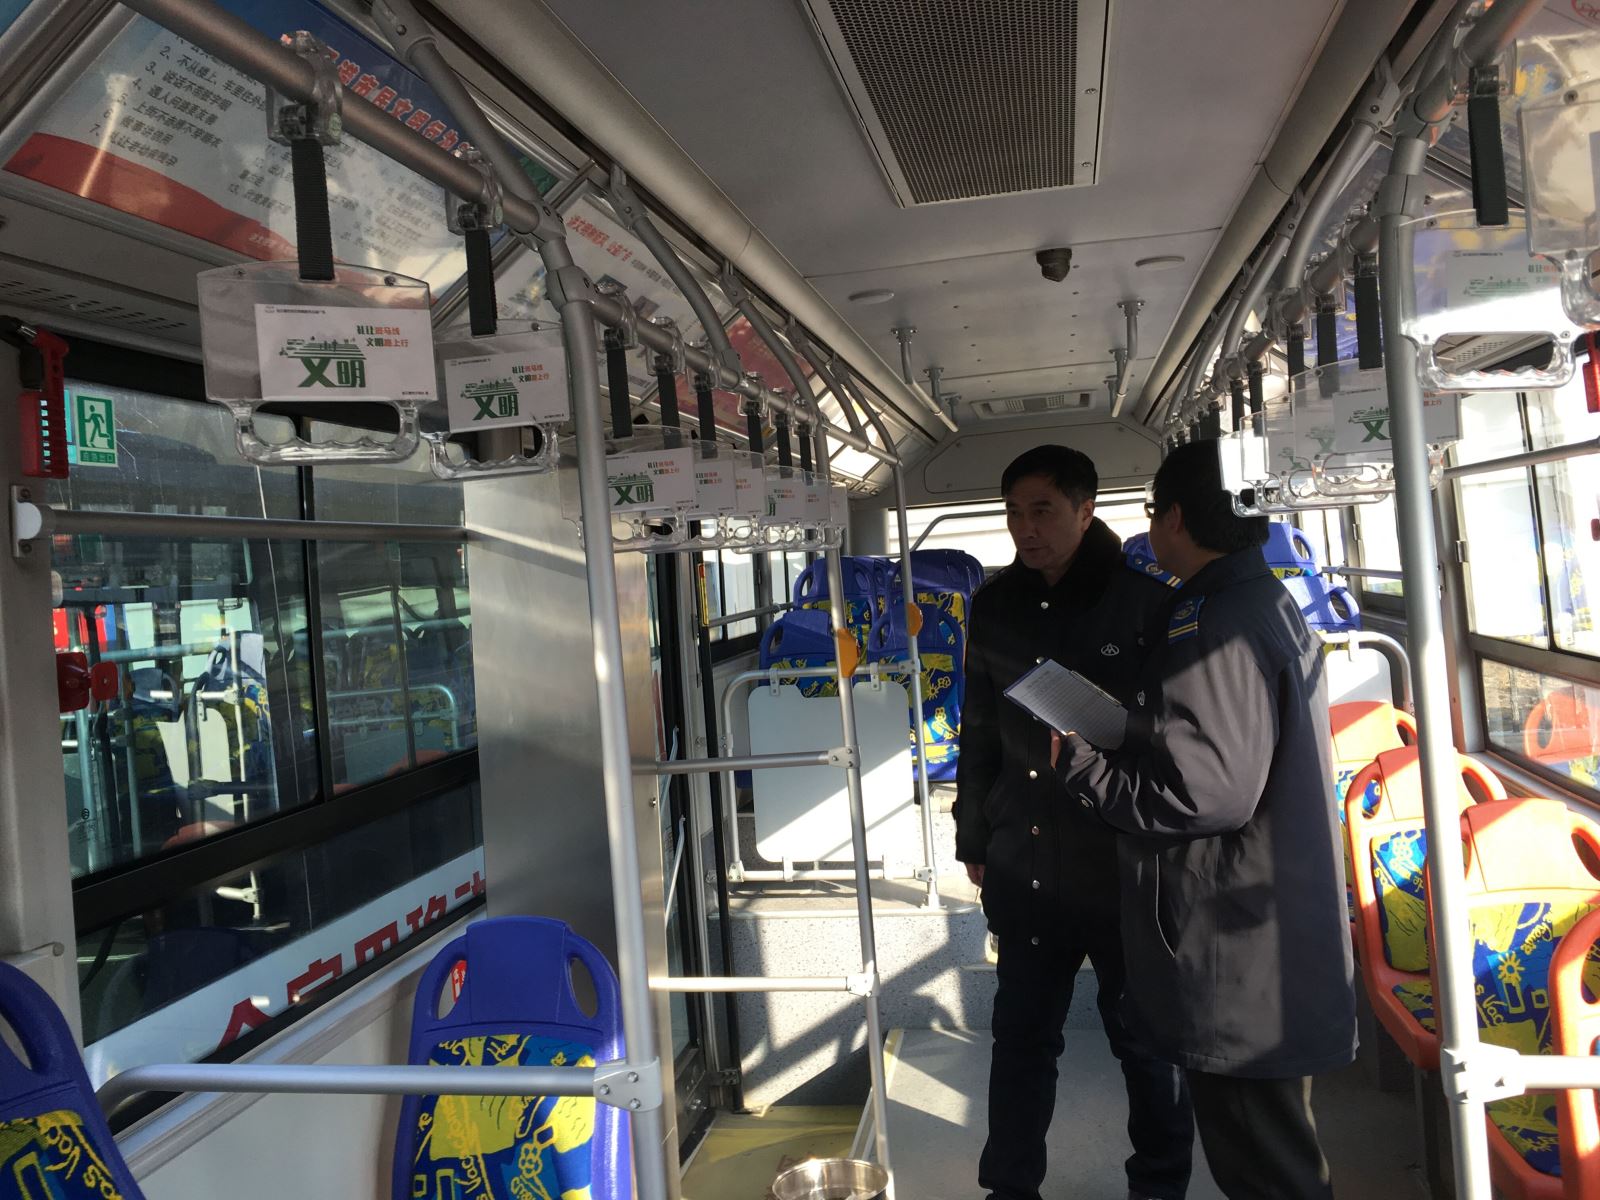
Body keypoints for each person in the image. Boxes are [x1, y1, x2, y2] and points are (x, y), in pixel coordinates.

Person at [1054, 440, 1357, 1199]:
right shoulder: (1258, 598)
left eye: (1154, 511)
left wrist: (1087, 770)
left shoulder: (1214, 620)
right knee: (1273, 1153)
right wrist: (1132, 729)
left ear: (1176, 518)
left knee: (1264, 1167)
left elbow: (1207, 793)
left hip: (1237, 943)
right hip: (1265, 930)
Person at [954, 445, 1194, 1200]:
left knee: (1145, 1044)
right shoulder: (996, 605)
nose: (1026, 528)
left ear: (1086, 511)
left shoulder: (1145, 604)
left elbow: (1173, 742)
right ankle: (1010, 1187)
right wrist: (972, 835)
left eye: (1043, 510)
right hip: (1025, 856)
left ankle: (1159, 1187)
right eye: (1014, 513)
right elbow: (979, 728)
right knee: (1021, 1038)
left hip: (1122, 862)